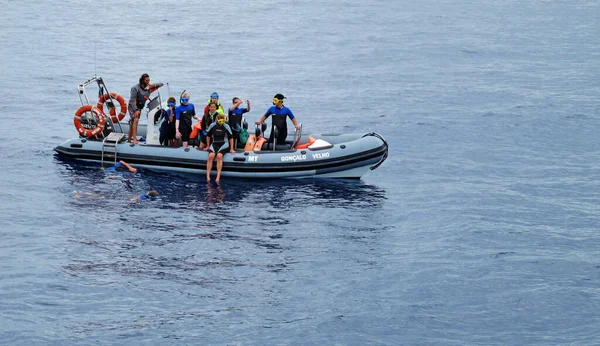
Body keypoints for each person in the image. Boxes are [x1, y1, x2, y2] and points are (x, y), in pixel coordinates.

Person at [128, 73, 164, 144]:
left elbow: (161, 84)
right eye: (146, 81)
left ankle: (129, 139)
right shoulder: (135, 88)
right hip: (133, 106)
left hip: (140, 107)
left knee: (133, 122)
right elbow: (132, 101)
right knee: (135, 120)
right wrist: (136, 110)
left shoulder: (149, 88)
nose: (148, 82)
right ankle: (134, 139)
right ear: (142, 81)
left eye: (149, 80)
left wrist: (153, 85)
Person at [204, 114, 235, 183]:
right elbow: (208, 136)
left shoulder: (226, 126)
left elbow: (231, 138)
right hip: (215, 143)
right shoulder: (212, 125)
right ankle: (208, 176)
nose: (221, 123)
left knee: (219, 156)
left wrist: (232, 148)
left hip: (224, 144)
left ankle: (218, 177)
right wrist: (208, 146)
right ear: (217, 120)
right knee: (210, 156)